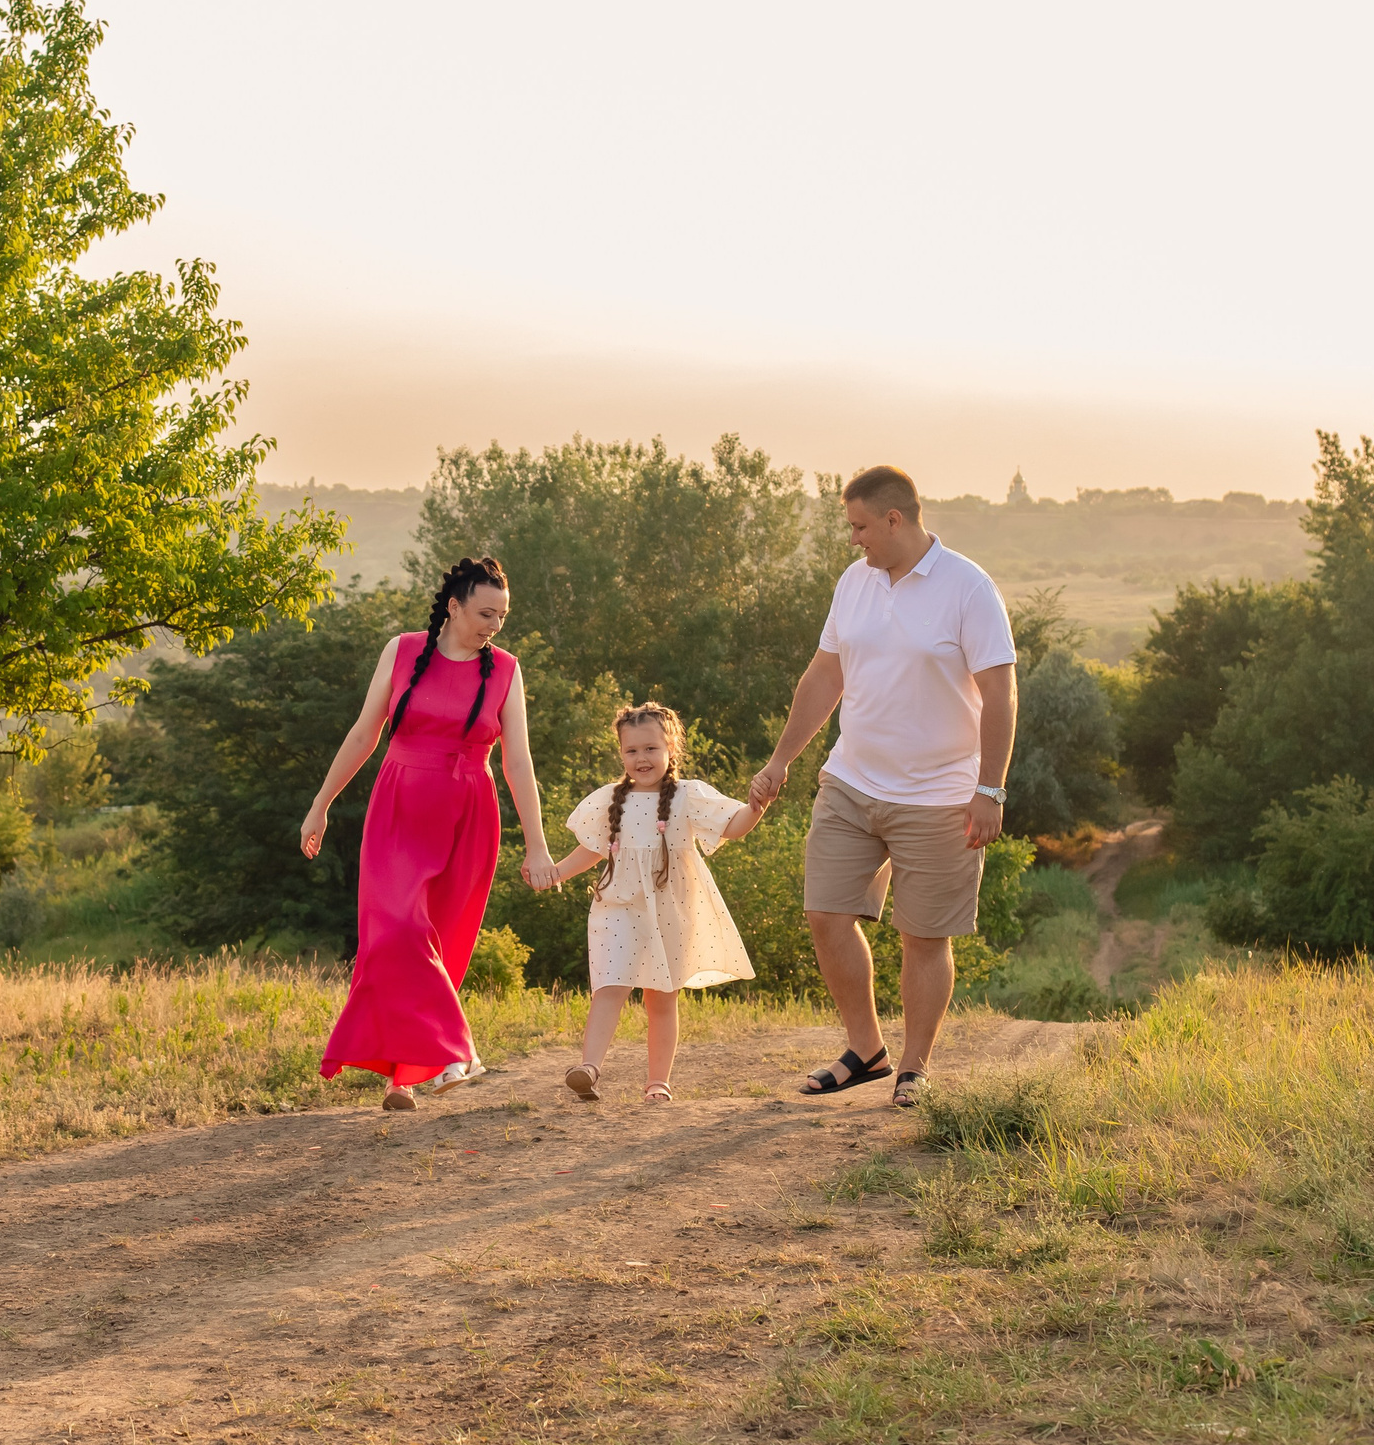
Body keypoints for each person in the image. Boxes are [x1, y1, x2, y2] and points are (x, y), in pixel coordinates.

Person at [748, 466, 1017, 1110]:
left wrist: (991, 789)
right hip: (850, 781)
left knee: (924, 936)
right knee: (825, 916)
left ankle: (915, 1068)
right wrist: (782, 758)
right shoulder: (855, 581)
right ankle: (866, 1050)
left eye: (860, 526)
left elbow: (1000, 692)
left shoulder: (968, 588)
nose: (853, 539)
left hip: (941, 796)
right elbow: (824, 675)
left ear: (895, 520)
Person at [304, 558, 557, 1111]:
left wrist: (536, 844)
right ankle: (452, 1051)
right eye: (486, 612)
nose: (496, 624)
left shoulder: (507, 670)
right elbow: (365, 732)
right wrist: (321, 803)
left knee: (441, 941)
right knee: (394, 931)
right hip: (399, 806)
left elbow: (519, 761)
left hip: (469, 814)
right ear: (455, 605)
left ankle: (405, 1077)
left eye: (503, 615)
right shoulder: (402, 651)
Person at [537, 702, 765, 1103]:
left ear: (671, 748)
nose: (641, 758)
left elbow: (735, 826)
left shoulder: (687, 796)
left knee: (661, 999)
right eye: (631, 751)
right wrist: (556, 872)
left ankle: (658, 1082)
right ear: (621, 754)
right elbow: (592, 850)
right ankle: (589, 1068)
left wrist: (757, 806)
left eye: (650, 749)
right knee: (609, 987)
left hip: (670, 910)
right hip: (618, 906)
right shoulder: (610, 799)